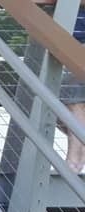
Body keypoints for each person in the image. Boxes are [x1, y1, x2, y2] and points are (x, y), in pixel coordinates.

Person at [60, 8, 85, 171]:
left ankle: (74, 158)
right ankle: (77, 155)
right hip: (70, 41)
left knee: (72, 100)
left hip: (76, 42)